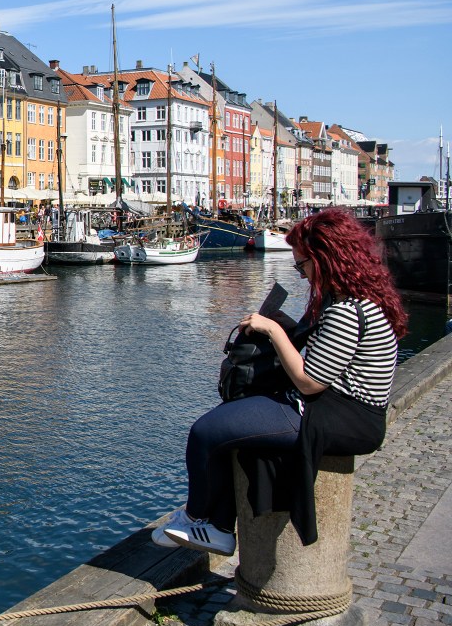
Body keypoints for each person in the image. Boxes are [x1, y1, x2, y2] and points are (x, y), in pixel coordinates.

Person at [154, 208, 405, 556]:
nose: (301, 275)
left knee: (206, 432)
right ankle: (221, 527)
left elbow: (309, 381)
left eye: (302, 265)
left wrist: (272, 329)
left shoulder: (347, 309)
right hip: (341, 409)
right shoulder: (357, 299)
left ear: (325, 259)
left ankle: (195, 517)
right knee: (232, 427)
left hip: (338, 415)